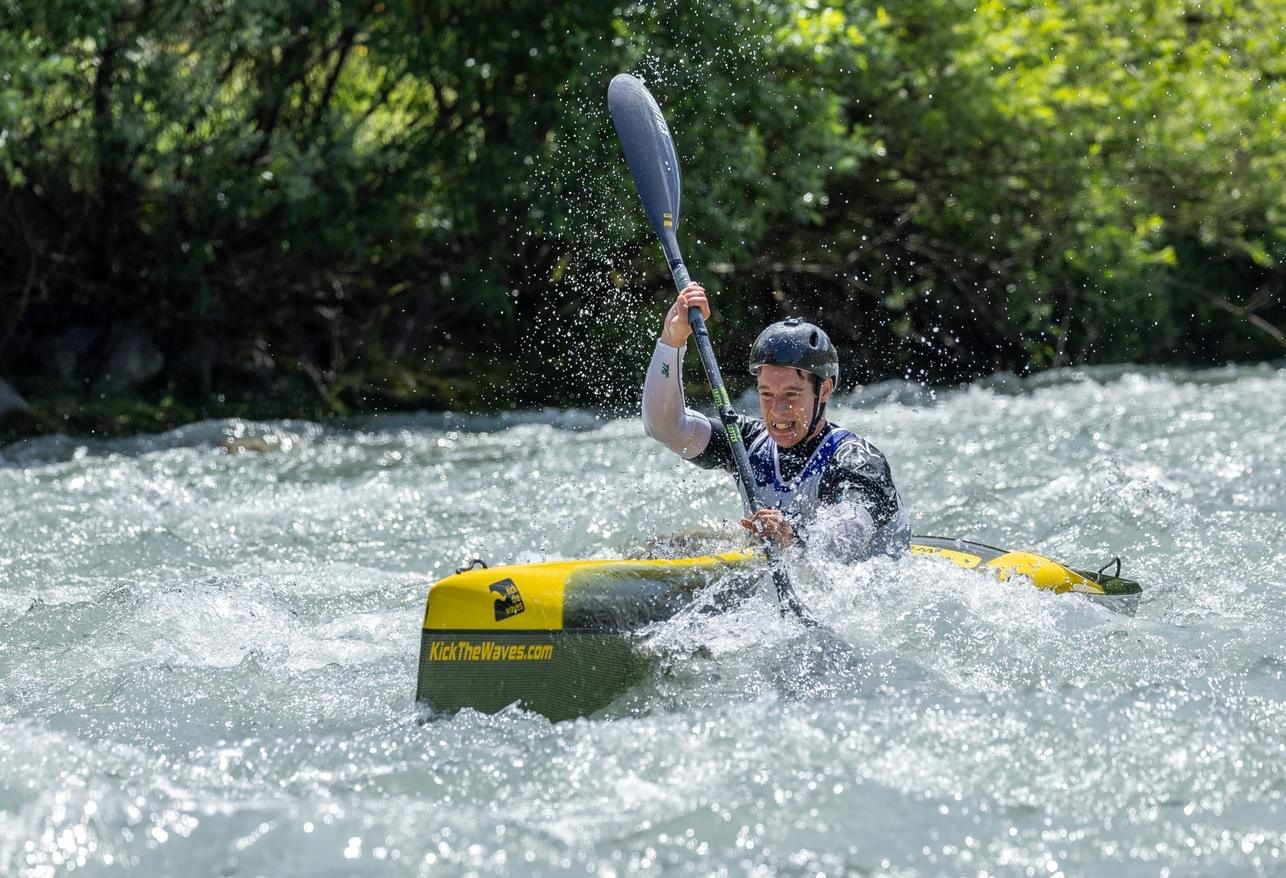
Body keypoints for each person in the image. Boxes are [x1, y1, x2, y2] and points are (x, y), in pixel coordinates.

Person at [642, 281, 910, 561]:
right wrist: (671, 342)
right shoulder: (747, 441)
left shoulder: (856, 461)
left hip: (869, 589)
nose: (778, 410)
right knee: (661, 547)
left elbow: (851, 534)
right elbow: (665, 427)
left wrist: (793, 538)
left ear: (826, 390)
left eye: (791, 394)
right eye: (767, 394)